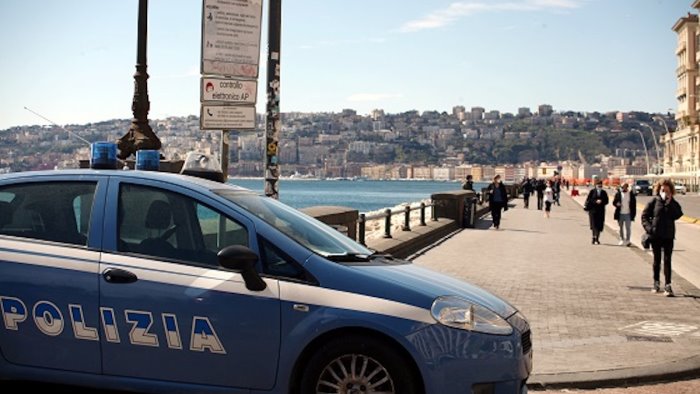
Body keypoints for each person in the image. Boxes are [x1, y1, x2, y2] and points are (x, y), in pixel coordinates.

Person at [641, 179, 684, 296]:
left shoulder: (673, 203)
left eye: (667, 190)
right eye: (662, 189)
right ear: (659, 189)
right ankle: (656, 282)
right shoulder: (654, 201)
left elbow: (678, 215)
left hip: (668, 236)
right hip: (656, 236)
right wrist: (650, 229)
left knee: (667, 260)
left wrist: (670, 203)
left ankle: (668, 285)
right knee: (656, 260)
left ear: (671, 191)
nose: (664, 191)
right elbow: (644, 216)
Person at [584, 180, 609, 244]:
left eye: (601, 185)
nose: (599, 187)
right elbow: (589, 199)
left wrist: (601, 201)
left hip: (601, 211)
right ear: (595, 185)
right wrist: (595, 201)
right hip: (593, 211)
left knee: (599, 225)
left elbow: (606, 201)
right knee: (594, 225)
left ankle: (597, 238)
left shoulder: (604, 192)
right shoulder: (592, 191)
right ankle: (593, 237)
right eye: (598, 185)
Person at [613, 182, 636, 246]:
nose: (623, 188)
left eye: (624, 187)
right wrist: (617, 204)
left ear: (627, 187)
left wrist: (633, 215)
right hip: (620, 213)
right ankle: (621, 239)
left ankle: (628, 240)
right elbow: (614, 202)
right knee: (620, 227)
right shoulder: (618, 194)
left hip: (628, 213)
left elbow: (634, 205)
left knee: (628, 228)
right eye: (622, 187)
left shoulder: (630, 195)